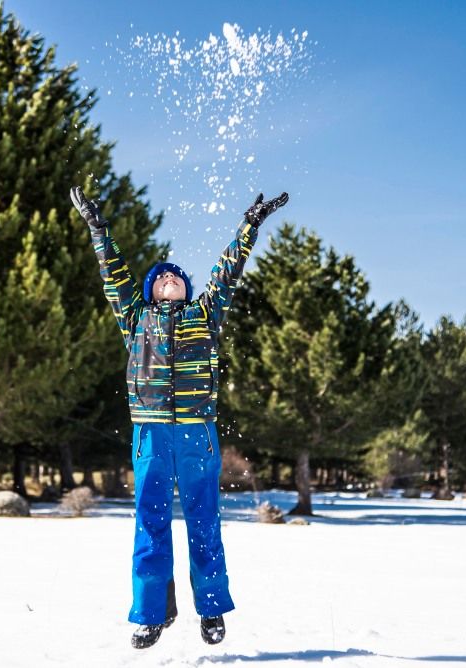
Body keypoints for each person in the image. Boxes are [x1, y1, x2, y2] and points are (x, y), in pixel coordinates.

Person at [70, 185, 288, 649]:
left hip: (196, 433)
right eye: (161, 277)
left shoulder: (204, 314)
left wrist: (250, 226)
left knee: (204, 520)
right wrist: (98, 227)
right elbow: (113, 274)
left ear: (187, 289)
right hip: (150, 432)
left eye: (176, 276)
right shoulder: (136, 318)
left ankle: (211, 608)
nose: (169, 278)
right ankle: (150, 614)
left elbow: (228, 273)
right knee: (150, 523)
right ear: (150, 291)